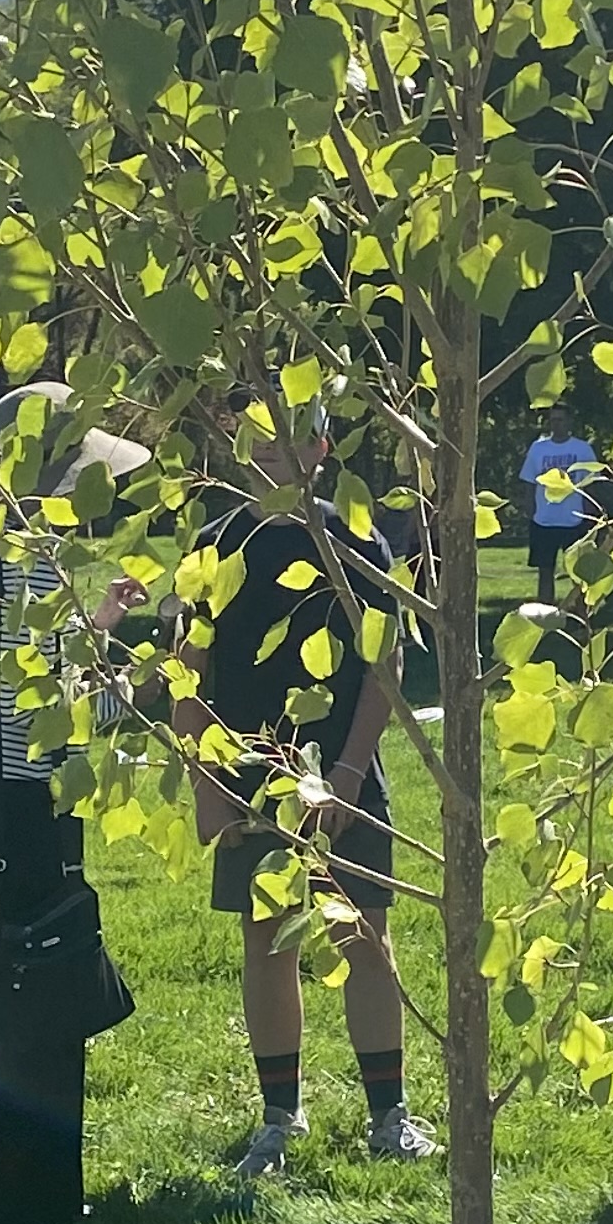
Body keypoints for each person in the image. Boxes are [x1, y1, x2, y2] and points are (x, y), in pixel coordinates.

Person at [190, 431, 437, 1178]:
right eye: (257, 433)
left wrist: (351, 773)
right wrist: (209, 789)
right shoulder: (215, 542)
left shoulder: (353, 536)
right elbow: (187, 673)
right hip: (249, 784)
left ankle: (388, 1113)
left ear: (320, 444)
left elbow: (382, 663)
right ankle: (278, 1117)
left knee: (364, 938)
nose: (271, 447)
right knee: (270, 943)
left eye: (289, 432)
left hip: (343, 778)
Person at [0, 384, 148, 1224]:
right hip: (23, 788)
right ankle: (29, 1211)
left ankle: (28, 1201)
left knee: (25, 981)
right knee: (43, 982)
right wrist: (136, 674)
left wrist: (100, 630)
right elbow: (50, 695)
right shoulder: (31, 549)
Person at [518, 421, 598, 609]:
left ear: (569, 421)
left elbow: (591, 483)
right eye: (554, 420)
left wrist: (590, 512)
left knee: (578, 573)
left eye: (562, 419)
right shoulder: (538, 449)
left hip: (574, 519)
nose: (558, 424)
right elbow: (529, 480)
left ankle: (581, 616)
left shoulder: (582, 449)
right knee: (545, 571)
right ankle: (545, 613)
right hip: (544, 520)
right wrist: (529, 505)